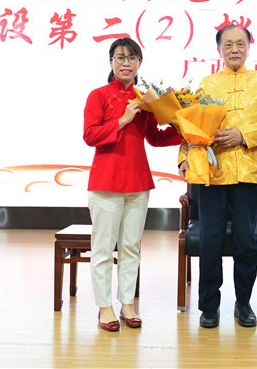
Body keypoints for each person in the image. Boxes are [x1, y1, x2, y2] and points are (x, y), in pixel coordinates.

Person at [83, 37, 182, 332]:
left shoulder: (145, 99)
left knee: (130, 247)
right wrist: (123, 120)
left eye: (131, 58)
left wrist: (184, 127)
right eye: (120, 57)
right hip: (105, 182)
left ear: (139, 63)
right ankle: (104, 307)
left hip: (138, 181)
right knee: (103, 248)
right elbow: (90, 135)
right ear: (110, 62)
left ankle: (127, 303)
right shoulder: (98, 95)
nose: (126, 63)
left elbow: (155, 138)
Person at [177, 25, 257, 329]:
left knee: (247, 242)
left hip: (248, 173)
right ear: (219, 49)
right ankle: (209, 307)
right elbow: (191, 125)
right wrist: (183, 157)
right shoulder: (207, 84)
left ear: (248, 47)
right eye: (228, 44)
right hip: (212, 174)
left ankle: (243, 303)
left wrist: (242, 134)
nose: (234, 49)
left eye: (240, 44)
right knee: (210, 241)